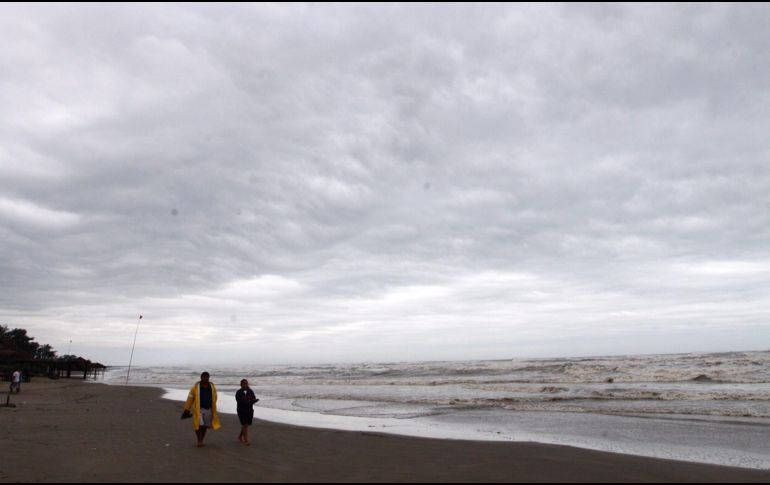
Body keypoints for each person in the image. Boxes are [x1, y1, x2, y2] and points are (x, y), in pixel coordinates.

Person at [182, 372, 221, 447]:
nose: (206, 379)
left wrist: (213, 406)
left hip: (209, 409)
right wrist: (187, 408)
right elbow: (190, 398)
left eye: (207, 377)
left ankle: (201, 440)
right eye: (204, 377)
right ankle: (199, 440)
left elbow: (215, 397)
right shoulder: (196, 387)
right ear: (201, 377)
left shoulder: (212, 386)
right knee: (199, 425)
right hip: (199, 409)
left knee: (205, 426)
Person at [235, 379, 259, 445]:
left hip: (249, 410)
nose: (245, 385)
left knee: (246, 425)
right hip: (241, 410)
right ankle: (246, 440)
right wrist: (249, 401)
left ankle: (240, 436)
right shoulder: (238, 392)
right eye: (244, 383)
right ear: (241, 385)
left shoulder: (250, 391)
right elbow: (240, 401)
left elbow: (253, 398)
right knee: (245, 424)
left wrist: (255, 400)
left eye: (246, 383)